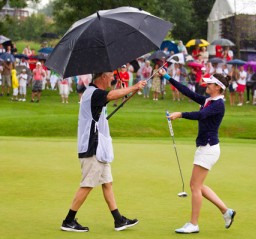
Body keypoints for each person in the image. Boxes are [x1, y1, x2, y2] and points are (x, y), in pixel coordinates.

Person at [60, 72, 146, 232]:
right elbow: (112, 95)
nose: (112, 79)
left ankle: (118, 220)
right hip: (92, 147)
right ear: (102, 78)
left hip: (98, 147)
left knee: (107, 183)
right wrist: (134, 86)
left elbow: (111, 98)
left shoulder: (92, 93)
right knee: (87, 184)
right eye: (110, 77)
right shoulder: (94, 93)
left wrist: (130, 91)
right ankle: (68, 220)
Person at [159, 68, 235, 234]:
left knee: (194, 186)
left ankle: (194, 224)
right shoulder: (208, 100)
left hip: (208, 148)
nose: (207, 84)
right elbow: (187, 92)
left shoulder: (218, 105)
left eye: (210, 83)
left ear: (218, 87)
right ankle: (226, 211)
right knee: (198, 185)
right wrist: (167, 77)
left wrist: (180, 114)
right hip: (205, 147)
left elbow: (201, 116)